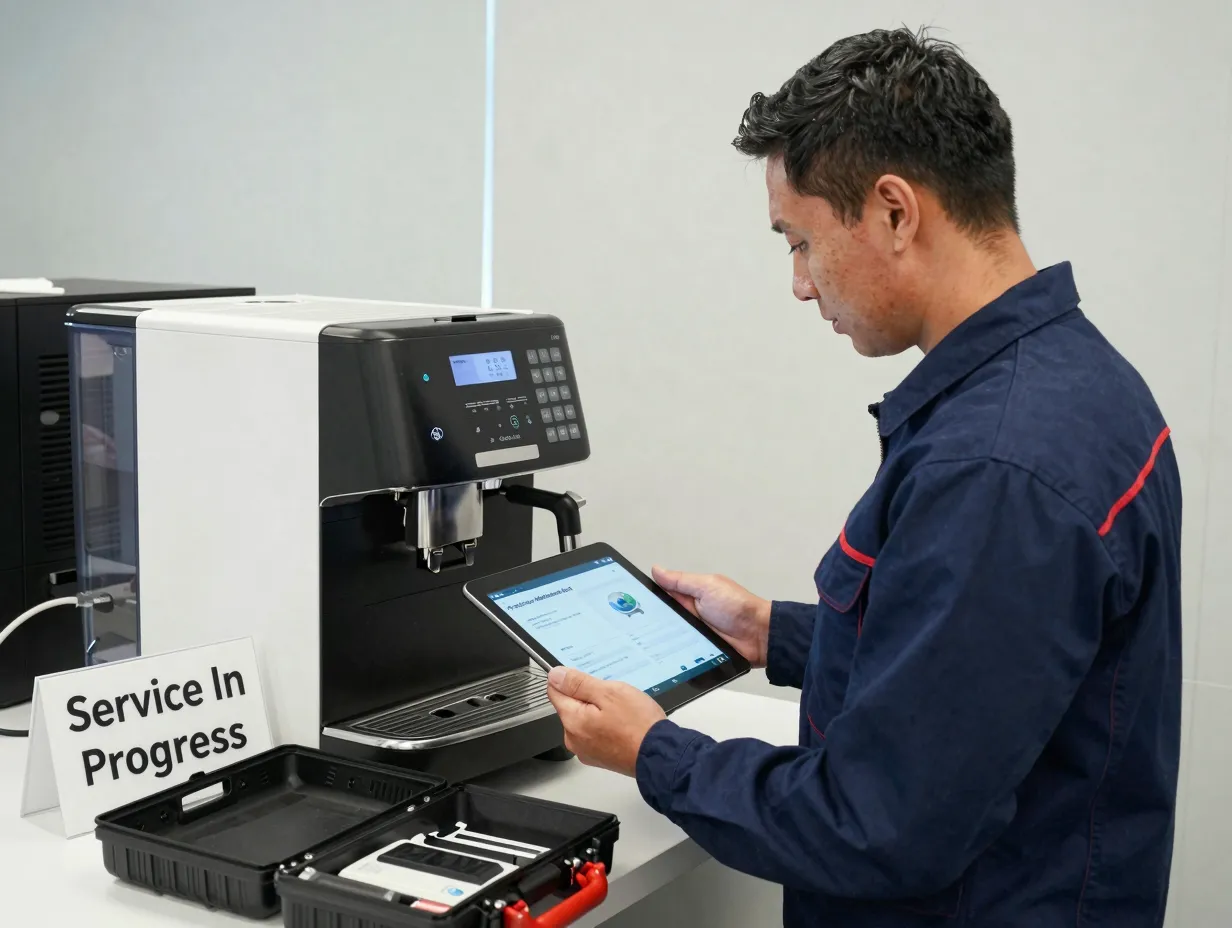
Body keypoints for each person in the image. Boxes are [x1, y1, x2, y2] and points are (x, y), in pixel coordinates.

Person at [543, 26, 1183, 928]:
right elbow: (989, 665)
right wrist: (774, 634)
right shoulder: (1078, 383)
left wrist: (655, 752)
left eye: (799, 240)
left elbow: (877, 823)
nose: (801, 283)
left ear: (893, 211)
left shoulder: (996, 466)